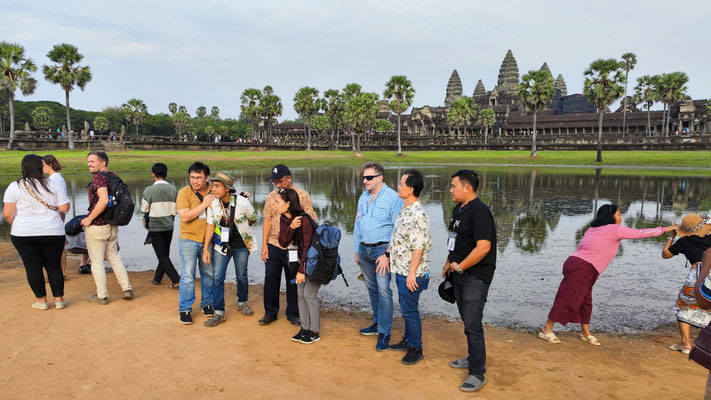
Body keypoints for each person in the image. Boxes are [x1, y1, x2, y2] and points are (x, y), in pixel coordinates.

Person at [540, 204, 676, 345]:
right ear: (610, 217)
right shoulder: (615, 230)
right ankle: (547, 328)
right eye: (618, 215)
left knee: (585, 301)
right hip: (582, 267)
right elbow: (641, 233)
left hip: (579, 265)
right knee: (569, 298)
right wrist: (665, 229)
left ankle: (585, 332)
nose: (620, 217)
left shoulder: (592, 229)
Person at [442, 170, 496, 392]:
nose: (451, 190)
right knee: (466, 319)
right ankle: (473, 357)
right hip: (458, 272)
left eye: (454, 186)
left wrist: (461, 266)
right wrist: (448, 261)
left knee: (473, 323)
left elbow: (484, 247)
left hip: (475, 275)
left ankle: (477, 372)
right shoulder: (459, 208)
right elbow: (455, 239)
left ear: (468, 188)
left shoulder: (480, 212)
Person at [3, 155, 70, 309]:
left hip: (24, 233)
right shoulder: (53, 185)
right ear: (41, 167)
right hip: (52, 231)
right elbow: (65, 208)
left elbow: (7, 214)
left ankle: (42, 302)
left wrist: (16, 224)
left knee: (33, 267)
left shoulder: (15, 186)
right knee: (53, 266)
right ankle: (59, 300)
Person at [379, 169, 431, 365]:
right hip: (400, 269)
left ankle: (416, 348)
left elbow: (418, 247)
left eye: (401, 184)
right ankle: (408, 341)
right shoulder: (405, 210)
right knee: (406, 308)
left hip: (412, 273)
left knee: (410, 311)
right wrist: (386, 255)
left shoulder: (418, 214)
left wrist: (411, 274)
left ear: (410, 189)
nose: (398, 186)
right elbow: (398, 240)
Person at [353, 162, 403, 351]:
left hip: (382, 250)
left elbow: (398, 230)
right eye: (364, 177)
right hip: (364, 250)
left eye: (369, 178)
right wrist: (357, 249)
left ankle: (385, 332)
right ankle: (377, 322)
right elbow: (357, 223)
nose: (365, 181)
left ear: (380, 178)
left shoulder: (392, 198)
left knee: (384, 289)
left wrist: (388, 255)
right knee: (372, 288)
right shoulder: (363, 197)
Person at [260, 164, 316, 326]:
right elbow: (267, 220)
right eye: (274, 182)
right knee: (271, 277)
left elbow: (310, 220)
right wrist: (264, 246)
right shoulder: (272, 197)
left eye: (279, 181)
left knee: (292, 279)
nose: (277, 185)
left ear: (289, 178)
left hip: (294, 246)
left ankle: (293, 312)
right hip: (274, 243)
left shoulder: (302, 195)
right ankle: (270, 312)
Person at [201, 173, 258, 327]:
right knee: (217, 277)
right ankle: (218, 312)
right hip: (222, 246)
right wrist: (206, 248)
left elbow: (253, 217)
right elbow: (210, 226)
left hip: (241, 246)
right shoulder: (213, 204)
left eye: (217, 186)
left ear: (227, 189)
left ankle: (242, 302)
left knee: (242, 276)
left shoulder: (242, 202)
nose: (213, 189)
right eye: (213, 185)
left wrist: (241, 226)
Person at [81, 151, 133, 304]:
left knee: (96, 261)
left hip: (98, 225)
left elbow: (103, 201)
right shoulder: (113, 176)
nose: (89, 164)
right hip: (112, 224)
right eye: (88, 161)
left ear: (102, 163)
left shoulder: (98, 177)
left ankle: (101, 295)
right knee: (115, 258)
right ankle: (126, 288)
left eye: (92, 161)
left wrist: (89, 219)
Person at [661, 213, 711, 355]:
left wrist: (671, 236)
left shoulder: (684, 242)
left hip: (696, 274)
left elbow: (665, 254)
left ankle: (685, 343)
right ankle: (706, 344)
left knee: (682, 306)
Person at [276, 188, 320, 343]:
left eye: (279, 202)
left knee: (309, 295)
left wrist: (301, 270)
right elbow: (282, 242)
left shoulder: (304, 219)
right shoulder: (284, 219)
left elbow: (308, 247)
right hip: (301, 263)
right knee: (300, 295)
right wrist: (291, 227)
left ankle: (314, 331)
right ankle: (304, 328)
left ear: (289, 203)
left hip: (314, 263)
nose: (276, 205)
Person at [176, 162, 216, 325]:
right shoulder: (184, 193)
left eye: (199, 177)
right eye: (192, 177)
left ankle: (207, 304)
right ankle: (184, 308)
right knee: (188, 275)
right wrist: (205, 204)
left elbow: (229, 198)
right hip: (188, 239)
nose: (195, 181)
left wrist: (242, 195)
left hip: (208, 239)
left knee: (208, 274)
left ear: (207, 178)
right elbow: (185, 217)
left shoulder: (214, 191)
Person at [140, 163, 180, 289]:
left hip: (156, 226)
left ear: (153, 174)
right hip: (169, 225)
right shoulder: (174, 189)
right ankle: (157, 278)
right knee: (164, 253)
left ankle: (177, 280)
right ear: (166, 174)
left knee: (161, 255)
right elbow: (177, 208)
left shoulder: (149, 190)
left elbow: (144, 209)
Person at [42, 154, 68, 280]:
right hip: (58, 211)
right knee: (58, 242)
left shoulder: (55, 179)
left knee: (57, 243)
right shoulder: (56, 178)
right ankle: (61, 271)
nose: (42, 168)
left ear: (50, 164)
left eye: (43, 165)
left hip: (56, 212)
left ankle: (61, 272)